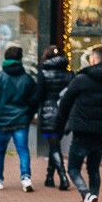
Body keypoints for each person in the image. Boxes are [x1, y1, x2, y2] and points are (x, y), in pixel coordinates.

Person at [56, 46, 102, 202]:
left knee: (73, 168)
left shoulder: (82, 79)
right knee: (93, 169)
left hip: (82, 130)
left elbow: (65, 103)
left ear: (93, 59)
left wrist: (60, 125)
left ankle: (86, 196)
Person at [0, 46, 37, 192]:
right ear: (20, 59)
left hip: (2, 121)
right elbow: (34, 100)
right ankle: (26, 178)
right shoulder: (27, 78)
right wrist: (29, 115)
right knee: (23, 150)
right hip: (21, 120)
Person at [34, 46, 72, 189]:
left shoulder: (44, 73)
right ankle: (49, 176)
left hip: (49, 112)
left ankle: (63, 176)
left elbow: (39, 95)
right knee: (54, 144)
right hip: (64, 112)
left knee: (54, 146)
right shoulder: (69, 74)